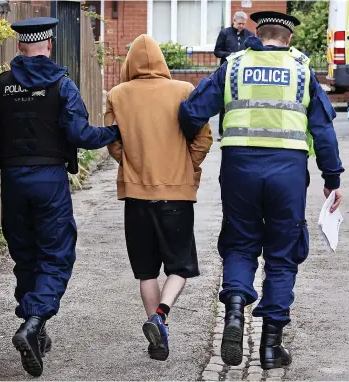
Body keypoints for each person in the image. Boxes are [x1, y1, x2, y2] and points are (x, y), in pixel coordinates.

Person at [178, 11, 344, 370]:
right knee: (283, 254)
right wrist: (332, 178)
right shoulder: (302, 70)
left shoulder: (233, 66)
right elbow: (324, 131)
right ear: (287, 39)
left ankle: (236, 310)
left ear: (258, 34)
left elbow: (191, 111)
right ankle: (270, 346)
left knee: (240, 242)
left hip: (240, 169)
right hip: (287, 173)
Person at [0, 17, 120, 377]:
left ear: (19, 48)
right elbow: (81, 133)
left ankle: (37, 331)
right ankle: (34, 323)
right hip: (49, 179)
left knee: (25, 256)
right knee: (56, 254)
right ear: (49, 46)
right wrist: (117, 131)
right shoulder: (61, 85)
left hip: (14, 181)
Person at [105, 34, 212, 361]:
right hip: (176, 196)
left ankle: (158, 338)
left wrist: (132, 165)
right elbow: (203, 137)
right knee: (180, 266)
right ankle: (160, 316)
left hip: (137, 197)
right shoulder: (183, 90)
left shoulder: (118, 95)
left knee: (146, 271)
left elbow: (113, 143)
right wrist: (187, 166)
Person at [214, 11, 255, 141]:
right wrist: (230, 54)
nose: (241, 26)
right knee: (225, 101)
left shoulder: (249, 35)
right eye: (239, 24)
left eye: (243, 24)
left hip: (243, 71)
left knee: (242, 100)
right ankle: (222, 131)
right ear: (234, 21)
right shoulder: (225, 33)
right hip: (227, 70)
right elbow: (217, 51)